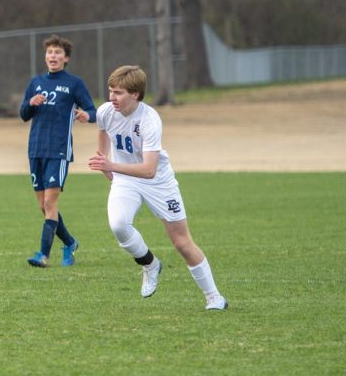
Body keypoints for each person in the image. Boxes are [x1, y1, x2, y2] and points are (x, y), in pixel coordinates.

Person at [88, 65, 228, 310]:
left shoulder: (150, 120)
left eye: (118, 93)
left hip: (158, 182)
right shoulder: (106, 111)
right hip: (125, 178)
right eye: (110, 91)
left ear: (136, 94)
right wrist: (104, 162)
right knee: (118, 224)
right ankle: (150, 264)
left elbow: (149, 169)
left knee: (181, 242)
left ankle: (214, 297)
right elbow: (103, 129)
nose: (112, 98)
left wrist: (111, 164)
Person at [19, 34, 97, 267]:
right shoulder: (35, 82)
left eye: (57, 52)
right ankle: (70, 242)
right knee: (43, 206)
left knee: (51, 204)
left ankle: (44, 255)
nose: (52, 56)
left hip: (59, 150)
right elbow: (24, 115)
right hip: (36, 150)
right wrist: (30, 103)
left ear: (66, 58)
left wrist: (86, 115)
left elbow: (92, 111)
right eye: (50, 52)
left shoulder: (74, 83)